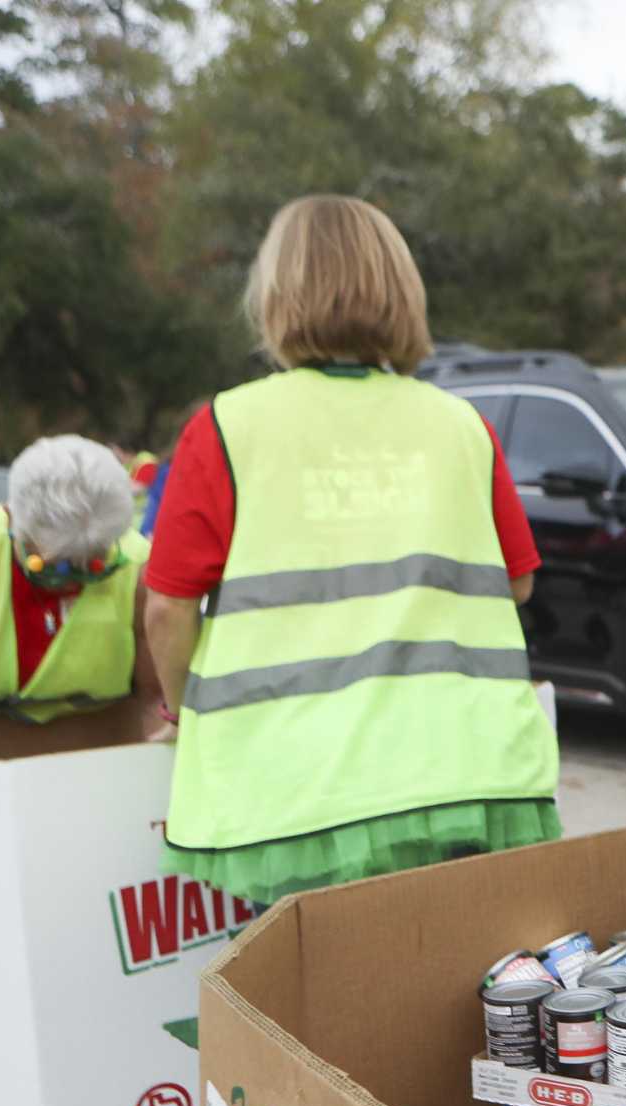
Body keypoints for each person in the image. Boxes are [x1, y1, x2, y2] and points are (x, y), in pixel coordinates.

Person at [143, 194, 560, 905]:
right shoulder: (461, 425)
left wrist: (185, 709)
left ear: (275, 296)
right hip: (462, 773)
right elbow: (515, 586)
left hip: (297, 787)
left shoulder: (226, 426)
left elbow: (167, 611)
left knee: (311, 997)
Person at [0, 434, 161, 763]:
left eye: (91, 564)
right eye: (52, 565)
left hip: (93, 756)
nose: (70, 580)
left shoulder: (140, 570)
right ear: (13, 520)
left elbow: (157, 702)